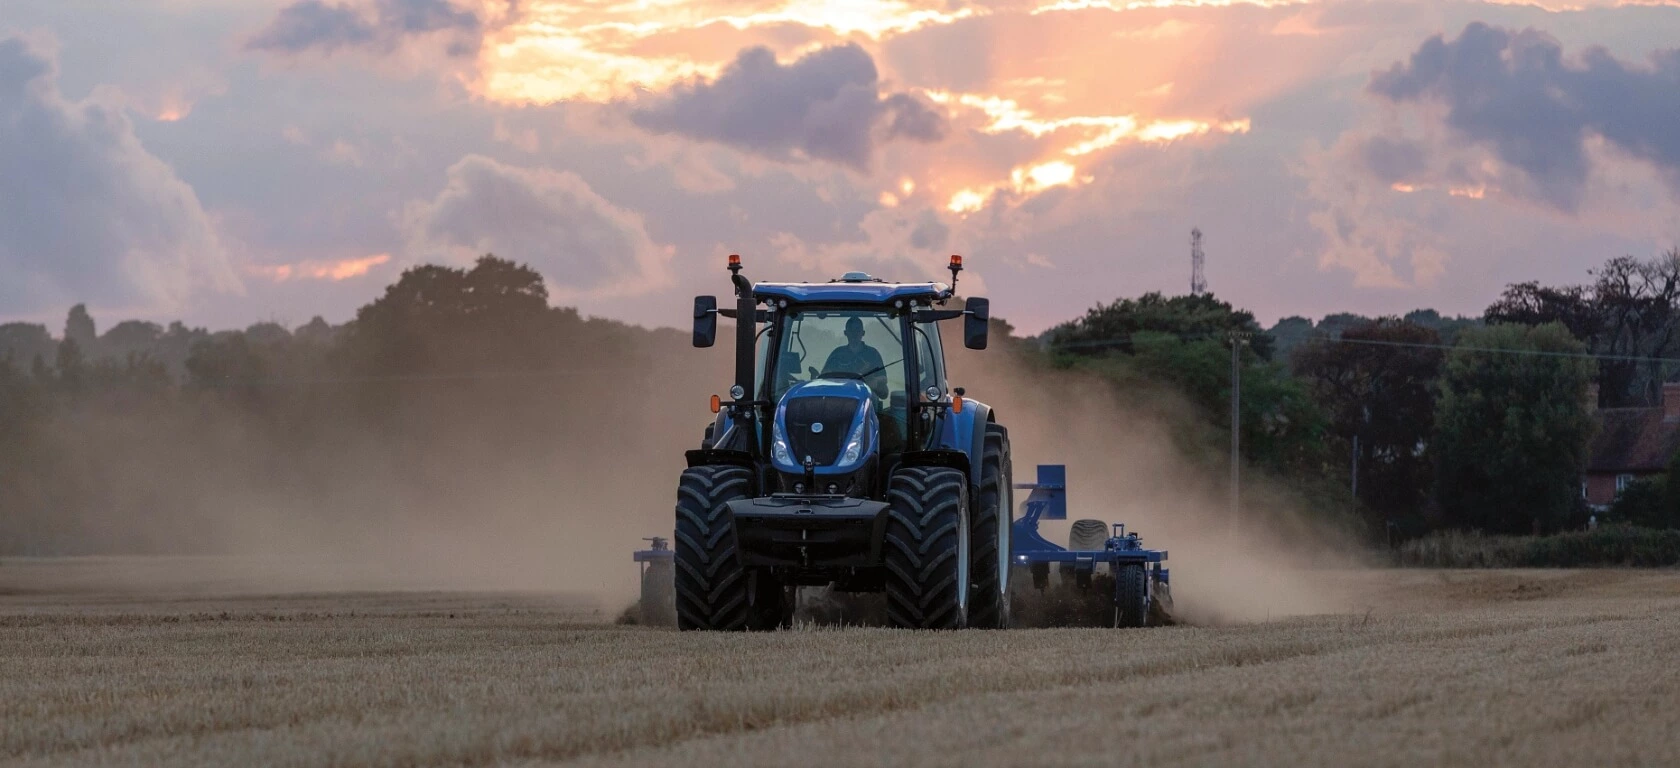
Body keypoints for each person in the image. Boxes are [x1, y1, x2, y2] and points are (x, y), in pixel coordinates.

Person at [821, 316, 889, 398]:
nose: (854, 334)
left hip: (866, 397)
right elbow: (824, 376)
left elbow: (884, 378)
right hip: (840, 397)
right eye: (851, 330)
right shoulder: (837, 353)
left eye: (857, 330)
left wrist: (875, 380)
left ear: (863, 333)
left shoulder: (873, 353)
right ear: (845, 333)